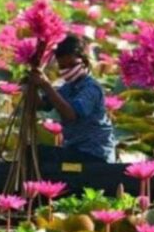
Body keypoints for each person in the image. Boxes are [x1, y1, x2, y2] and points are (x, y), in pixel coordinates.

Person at [30, 35, 117, 163]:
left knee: (43, 156)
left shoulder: (91, 88)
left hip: (95, 153)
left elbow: (70, 115)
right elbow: (42, 105)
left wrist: (46, 85)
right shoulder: (66, 88)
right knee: (32, 151)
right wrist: (31, 86)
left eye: (72, 65)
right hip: (74, 149)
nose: (68, 70)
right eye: (63, 67)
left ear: (85, 62)